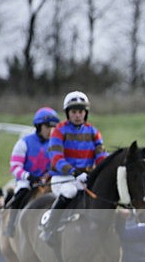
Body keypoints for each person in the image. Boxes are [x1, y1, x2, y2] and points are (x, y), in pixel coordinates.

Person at [40, 91, 108, 246]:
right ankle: (49, 228)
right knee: (69, 191)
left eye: (81, 112)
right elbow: (56, 158)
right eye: (74, 112)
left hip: (85, 178)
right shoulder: (59, 131)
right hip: (62, 178)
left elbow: (101, 157)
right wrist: (74, 172)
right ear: (68, 113)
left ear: (86, 113)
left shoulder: (94, 132)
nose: (77, 115)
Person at [4, 106, 60, 237]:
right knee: (20, 194)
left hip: (47, 181)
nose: (50, 130)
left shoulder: (56, 145)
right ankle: (11, 225)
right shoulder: (24, 143)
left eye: (53, 127)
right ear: (39, 126)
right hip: (27, 181)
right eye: (47, 126)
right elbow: (14, 167)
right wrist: (28, 176)